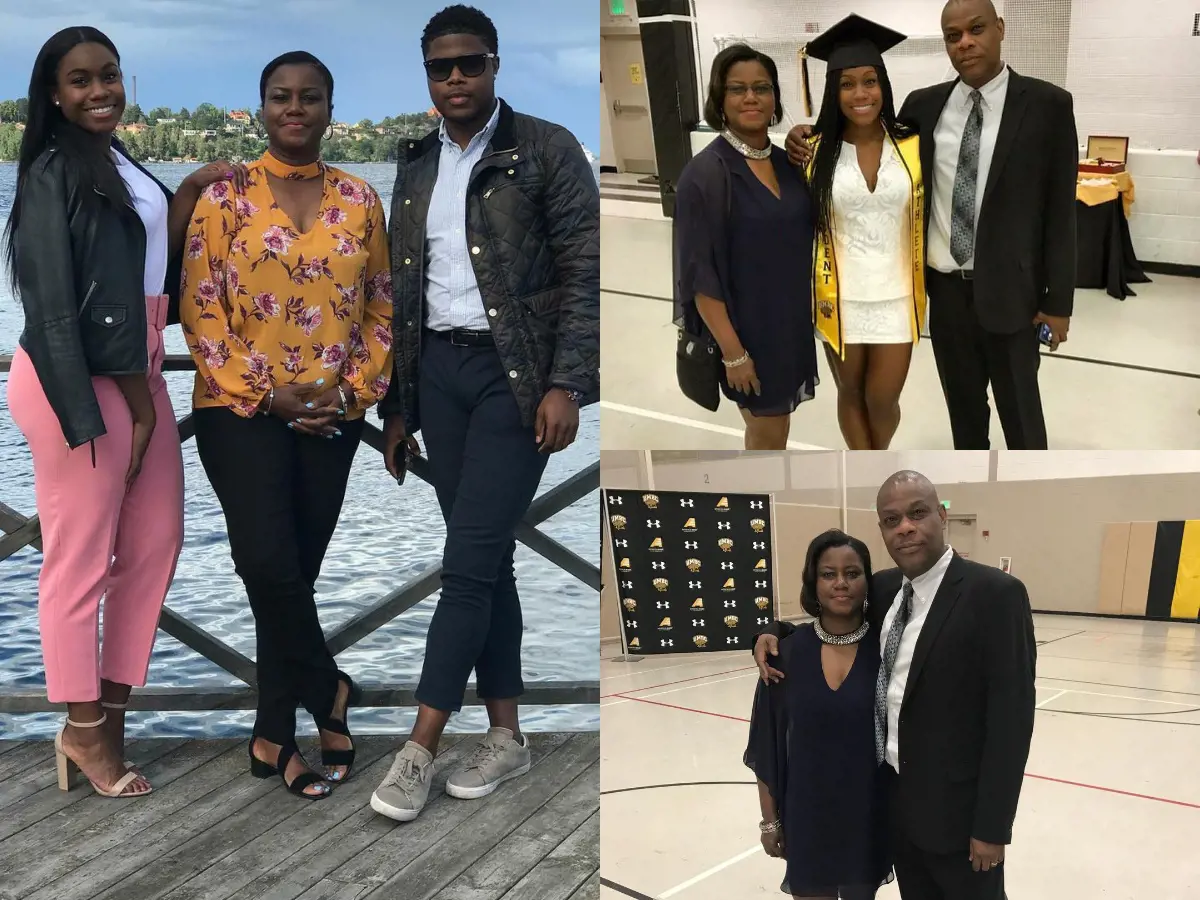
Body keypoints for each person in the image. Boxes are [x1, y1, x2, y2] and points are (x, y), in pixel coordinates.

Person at [4, 26, 246, 799]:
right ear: (53, 94)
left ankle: (106, 712)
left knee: (155, 544)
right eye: (80, 81)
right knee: (77, 562)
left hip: (136, 372)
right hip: (76, 378)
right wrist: (117, 407)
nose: (100, 91)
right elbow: (51, 307)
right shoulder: (52, 170)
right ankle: (81, 730)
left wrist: (191, 192)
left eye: (109, 76)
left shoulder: (115, 161)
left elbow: (147, 266)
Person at [370, 4, 598, 823]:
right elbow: (403, 290)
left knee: (465, 564)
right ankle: (508, 734)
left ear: (495, 65)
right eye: (441, 68)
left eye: (469, 64)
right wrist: (399, 405)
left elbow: (585, 268)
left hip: (516, 378)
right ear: (426, 75)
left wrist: (566, 383)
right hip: (440, 375)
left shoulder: (547, 149)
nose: (455, 80)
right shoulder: (416, 160)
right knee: (489, 559)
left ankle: (420, 745)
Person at [181, 51, 394, 800]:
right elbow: (199, 309)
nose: (294, 108)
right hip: (240, 413)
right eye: (280, 97)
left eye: (309, 97)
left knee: (293, 577)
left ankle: (272, 736)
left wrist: (354, 393)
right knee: (267, 565)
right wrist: (267, 395)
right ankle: (330, 688)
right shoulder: (224, 199)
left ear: (331, 108)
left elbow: (380, 305)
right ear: (262, 107)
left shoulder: (361, 199)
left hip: (330, 420)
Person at [786, 0, 1077, 450]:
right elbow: (863, 138)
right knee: (964, 414)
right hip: (943, 293)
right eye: (953, 35)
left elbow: (1061, 211)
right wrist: (801, 134)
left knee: (1022, 416)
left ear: (999, 29)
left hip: (1012, 295)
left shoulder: (1048, 105)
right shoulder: (922, 108)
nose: (966, 42)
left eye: (976, 29)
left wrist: (1058, 303)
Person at [754, 471, 1037, 900]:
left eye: (918, 513)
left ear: (942, 516)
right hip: (896, 815)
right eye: (891, 519)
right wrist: (769, 631)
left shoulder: (995, 594)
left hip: (961, 823)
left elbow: (1011, 722)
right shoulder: (885, 589)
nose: (905, 527)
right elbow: (828, 614)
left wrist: (992, 827)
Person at [673, 44, 818, 451]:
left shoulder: (787, 164)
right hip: (746, 331)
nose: (751, 97)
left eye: (761, 87)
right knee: (769, 438)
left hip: (788, 324)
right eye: (737, 89)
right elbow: (700, 279)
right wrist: (734, 354)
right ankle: (755, 508)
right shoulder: (706, 176)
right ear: (720, 100)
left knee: (772, 434)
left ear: (774, 98)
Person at [797, 16, 926, 450]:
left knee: (882, 398)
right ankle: (865, 466)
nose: (860, 94)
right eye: (847, 84)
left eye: (869, 81)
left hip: (898, 296)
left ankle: (878, 457)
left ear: (883, 85)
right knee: (850, 394)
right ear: (834, 93)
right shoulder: (813, 152)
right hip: (839, 295)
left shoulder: (911, 145)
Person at [745, 530, 892, 899]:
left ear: (867, 581)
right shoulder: (784, 655)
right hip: (807, 815)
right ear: (814, 582)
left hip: (868, 815)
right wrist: (770, 821)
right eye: (828, 574)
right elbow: (767, 745)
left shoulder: (888, 652)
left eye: (852, 573)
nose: (841, 583)